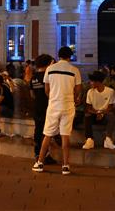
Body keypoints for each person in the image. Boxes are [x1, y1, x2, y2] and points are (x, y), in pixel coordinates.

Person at [33, 46, 82, 175]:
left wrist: (54, 98)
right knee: (65, 136)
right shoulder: (75, 70)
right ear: (70, 56)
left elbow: (47, 90)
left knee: (48, 134)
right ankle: (65, 166)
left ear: (58, 55)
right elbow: (78, 89)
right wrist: (75, 98)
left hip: (54, 105)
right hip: (68, 105)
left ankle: (40, 163)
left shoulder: (50, 69)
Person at [30, 54, 56, 163]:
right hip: (47, 107)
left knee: (38, 130)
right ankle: (45, 155)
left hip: (37, 107)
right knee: (47, 132)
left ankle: (37, 153)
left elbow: (32, 94)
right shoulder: (48, 76)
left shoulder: (33, 77)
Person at [82, 71, 115, 150]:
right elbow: (88, 108)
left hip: (105, 114)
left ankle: (108, 139)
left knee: (111, 116)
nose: (90, 83)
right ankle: (89, 140)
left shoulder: (110, 91)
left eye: (92, 81)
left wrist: (101, 113)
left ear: (97, 82)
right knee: (87, 116)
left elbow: (111, 107)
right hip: (94, 114)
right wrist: (97, 113)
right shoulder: (90, 92)